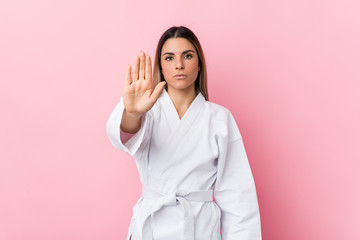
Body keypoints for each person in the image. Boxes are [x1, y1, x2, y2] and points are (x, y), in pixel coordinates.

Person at [106, 26, 262, 240]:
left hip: (199, 228)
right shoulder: (146, 111)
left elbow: (238, 196)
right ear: (160, 65)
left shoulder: (219, 119)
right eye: (169, 58)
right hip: (152, 227)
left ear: (199, 64)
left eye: (187, 56)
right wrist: (132, 113)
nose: (179, 64)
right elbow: (122, 137)